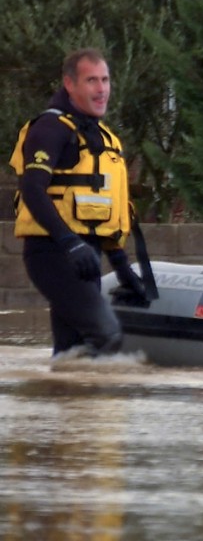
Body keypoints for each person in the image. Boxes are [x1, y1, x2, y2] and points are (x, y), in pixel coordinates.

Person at [8, 48, 146, 357]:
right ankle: (107, 402)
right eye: (91, 81)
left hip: (87, 257)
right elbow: (32, 188)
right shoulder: (49, 129)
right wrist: (69, 242)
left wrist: (122, 267)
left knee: (72, 349)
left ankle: (64, 400)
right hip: (52, 253)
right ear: (69, 85)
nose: (101, 89)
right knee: (107, 336)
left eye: (106, 80)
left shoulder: (103, 137)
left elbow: (102, 215)